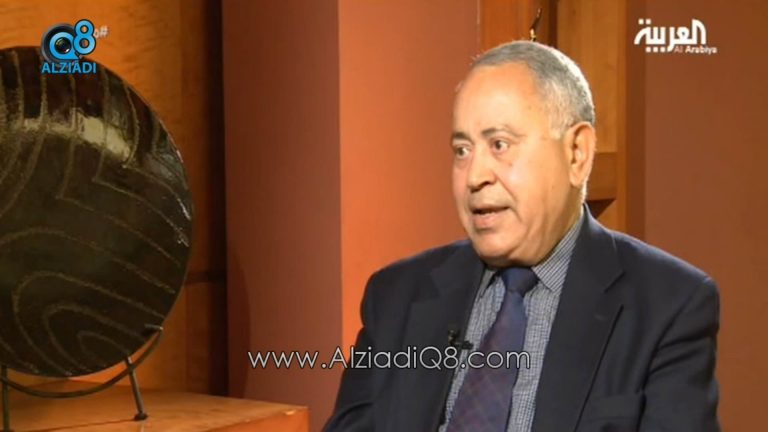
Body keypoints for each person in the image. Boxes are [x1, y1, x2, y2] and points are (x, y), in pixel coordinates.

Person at [324, 41, 720, 432]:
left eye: (500, 145)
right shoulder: (395, 296)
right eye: (462, 150)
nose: (475, 176)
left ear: (577, 154)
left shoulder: (669, 306)